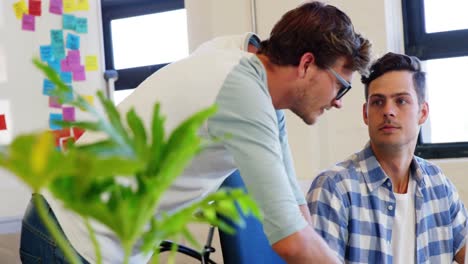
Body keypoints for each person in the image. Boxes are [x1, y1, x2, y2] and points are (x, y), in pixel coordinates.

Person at [20, 2, 371, 263]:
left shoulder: (249, 69)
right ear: (307, 64)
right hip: (68, 234)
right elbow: (290, 240)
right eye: (340, 86)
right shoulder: (242, 91)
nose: (338, 101)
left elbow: (295, 208)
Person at [307, 52, 468, 263]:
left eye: (401, 101)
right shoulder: (334, 187)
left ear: (423, 112)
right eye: (377, 102)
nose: (388, 111)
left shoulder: (438, 185)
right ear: (365, 113)